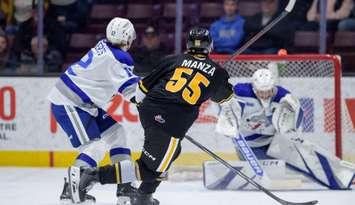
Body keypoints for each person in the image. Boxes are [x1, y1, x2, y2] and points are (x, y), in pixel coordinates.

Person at [68, 27, 235, 205]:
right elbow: (225, 98)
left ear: (188, 44)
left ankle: (144, 196)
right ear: (210, 46)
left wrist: (147, 108)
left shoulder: (173, 60)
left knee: (172, 152)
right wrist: (220, 77)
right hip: (170, 121)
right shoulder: (217, 72)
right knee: (148, 170)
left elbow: (141, 89)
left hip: (149, 111)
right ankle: (92, 176)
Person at [47, 17, 139, 204]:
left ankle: (126, 187)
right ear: (128, 37)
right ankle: (72, 190)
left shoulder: (103, 45)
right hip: (70, 102)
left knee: (117, 134)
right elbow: (131, 91)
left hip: (85, 102)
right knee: (95, 146)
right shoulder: (119, 57)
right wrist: (154, 102)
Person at [215, 68, 355, 190]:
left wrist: (290, 129)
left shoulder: (284, 97)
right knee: (267, 175)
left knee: (308, 153)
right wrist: (225, 118)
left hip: (274, 141)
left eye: (268, 91)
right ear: (254, 87)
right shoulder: (240, 91)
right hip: (249, 146)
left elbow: (297, 118)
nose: (264, 95)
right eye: (260, 92)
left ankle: (344, 176)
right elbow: (219, 98)